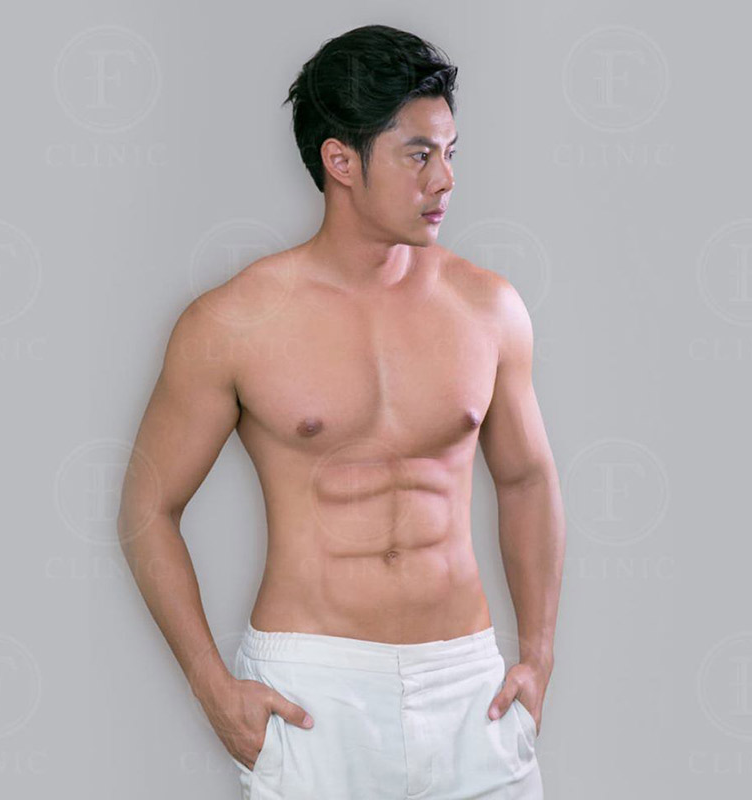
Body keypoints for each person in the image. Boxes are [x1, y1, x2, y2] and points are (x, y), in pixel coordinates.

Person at [117, 23, 565, 799]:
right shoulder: (234, 321)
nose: (446, 180)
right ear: (340, 161)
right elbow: (147, 508)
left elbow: (527, 480)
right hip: (312, 690)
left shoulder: (489, 308)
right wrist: (212, 686)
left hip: (469, 686)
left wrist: (540, 652)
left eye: (451, 152)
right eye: (418, 155)